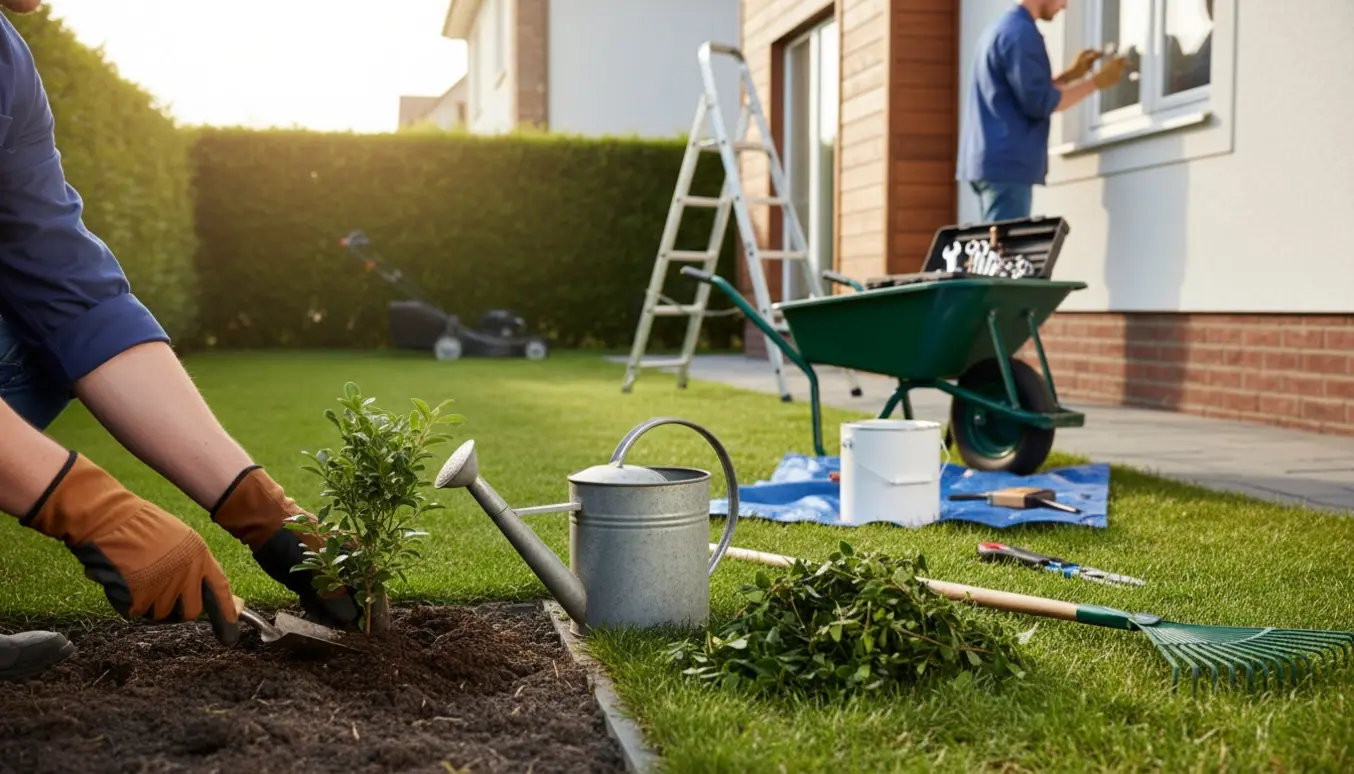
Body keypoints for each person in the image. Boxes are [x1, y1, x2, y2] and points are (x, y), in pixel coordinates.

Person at [0, 0, 359, 681]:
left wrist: (262, 510)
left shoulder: (8, 60)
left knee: (42, 338)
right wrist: (87, 506)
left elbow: (70, 289)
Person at [957, 0, 1129, 223]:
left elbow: (1024, 91)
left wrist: (1069, 76)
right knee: (1004, 253)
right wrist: (1096, 82)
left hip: (990, 162)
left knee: (995, 249)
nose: (1065, 6)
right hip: (1008, 166)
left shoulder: (1002, 28)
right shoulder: (1022, 34)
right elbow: (1042, 102)